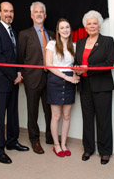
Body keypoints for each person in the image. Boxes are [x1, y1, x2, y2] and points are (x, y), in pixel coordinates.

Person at [0, 1, 29, 164]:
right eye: (5, 11)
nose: (9, 14)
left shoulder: (14, 32)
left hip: (14, 80)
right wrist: (14, 76)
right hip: (1, 81)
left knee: (13, 114)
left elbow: (16, 57)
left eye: (11, 11)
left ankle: (12, 141)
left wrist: (19, 72)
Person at [74, 10, 114, 165]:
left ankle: (105, 152)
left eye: (94, 23)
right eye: (89, 24)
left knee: (103, 120)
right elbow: (77, 62)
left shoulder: (108, 41)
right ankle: (88, 148)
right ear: (85, 26)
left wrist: (87, 68)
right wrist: (77, 69)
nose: (92, 26)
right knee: (87, 120)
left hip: (102, 86)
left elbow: (108, 64)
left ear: (99, 25)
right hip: (84, 86)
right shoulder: (80, 42)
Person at [18, 1, 55, 154]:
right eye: (36, 12)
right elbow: (20, 57)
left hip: (50, 78)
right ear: (32, 15)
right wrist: (20, 74)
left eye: (41, 12)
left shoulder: (52, 34)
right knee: (32, 111)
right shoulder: (24, 34)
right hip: (32, 78)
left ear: (45, 15)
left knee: (50, 111)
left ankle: (50, 137)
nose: (39, 14)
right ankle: (35, 140)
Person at [46, 18, 80, 157]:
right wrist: (66, 77)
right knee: (56, 115)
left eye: (67, 27)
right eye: (62, 28)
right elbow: (48, 65)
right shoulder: (52, 44)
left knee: (66, 116)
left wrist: (75, 74)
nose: (65, 30)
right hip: (55, 80)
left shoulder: (75, 45)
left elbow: (75, 66)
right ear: (58, 31)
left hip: (70, 82)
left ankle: (64, 144)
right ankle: (56, 145)